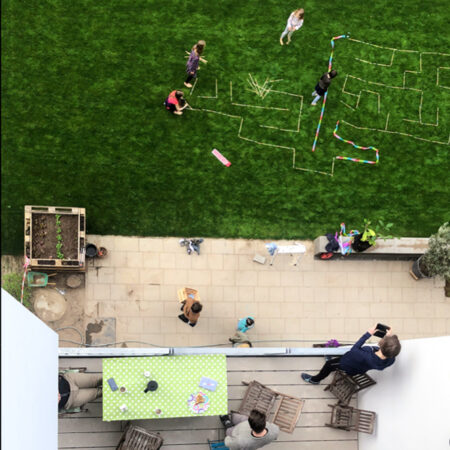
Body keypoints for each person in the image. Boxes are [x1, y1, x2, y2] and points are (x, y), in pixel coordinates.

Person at [301, 325, 401, 384]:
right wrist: (387, 338)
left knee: (329, 365)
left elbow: (355, 349)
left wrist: (368, 334)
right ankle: (332, 365)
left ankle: (315, 380)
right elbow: (386, 351)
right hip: (358, 366)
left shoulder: (366, 356)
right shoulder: (391, 359)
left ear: (381, 344)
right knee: (339, 358)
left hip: (346, 364)